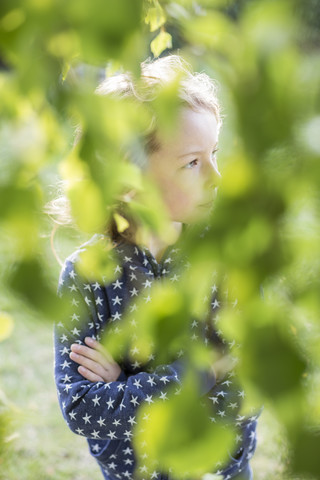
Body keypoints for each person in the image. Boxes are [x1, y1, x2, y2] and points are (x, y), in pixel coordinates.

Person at [53, 55, 258, 480]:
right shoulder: (86, 275)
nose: (216, 177)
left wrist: (122, 383)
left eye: (213, 153)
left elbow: (246, 389)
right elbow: (81, 410)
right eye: (192, 163)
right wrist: (203, 372)